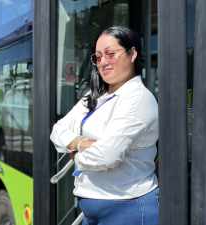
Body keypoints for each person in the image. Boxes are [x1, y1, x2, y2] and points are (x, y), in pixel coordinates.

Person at [50, 26, 159, 225]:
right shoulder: (96, 97)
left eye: (110, 54)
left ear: (132, 53)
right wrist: (81, 143)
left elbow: (107, 156)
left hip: (127, 210)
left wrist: (75, 152)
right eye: (98, 57)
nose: (103, 62)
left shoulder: (138, 99)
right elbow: (57, 131)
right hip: (91, 210)